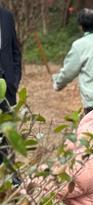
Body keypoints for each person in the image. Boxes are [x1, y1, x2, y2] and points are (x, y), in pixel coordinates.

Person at [0, 5, 22, 168]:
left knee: (8, 131)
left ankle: (9, 173)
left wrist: (14, 79)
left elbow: (15, 50)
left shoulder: (7, 16)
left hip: (7, 85)